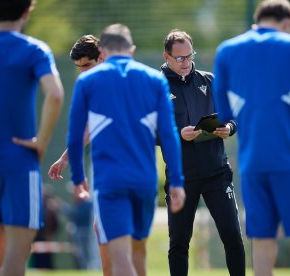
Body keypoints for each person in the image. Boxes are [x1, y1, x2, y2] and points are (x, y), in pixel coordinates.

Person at [213, 1, 290, 275]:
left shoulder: (226, 50)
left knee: (263, 248)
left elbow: (225, 115)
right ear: (287, 23)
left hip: (253, 166)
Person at [67, 23, 186, 276]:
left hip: (110, 181)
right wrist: (176, 181)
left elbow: (75, 135)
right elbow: (169, 134)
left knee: (120, 258)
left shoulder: (87, 81)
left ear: (104, 51)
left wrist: (78, 178)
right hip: (145, 182)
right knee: (138, 255)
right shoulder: (155, 80)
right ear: (131, 49)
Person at [0, 0, 64, 275]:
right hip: (17, 160)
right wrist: (41, 141)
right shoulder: (34, 49)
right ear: (28, 11)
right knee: (18, 249)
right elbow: (55, 94)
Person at [161, 29, 246, 276]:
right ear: (167, 57)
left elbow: (233, 116)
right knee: (179, 242)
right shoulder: (156, 86)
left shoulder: (210, 80)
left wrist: (228, 128)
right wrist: (179, 135)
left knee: (232, 235)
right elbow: (149, 132)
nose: (186, 62)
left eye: (190, 56)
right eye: (180, 58)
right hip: (181, 177)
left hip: (216, 173)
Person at [48, 34, 112, 274]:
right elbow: (87, 130)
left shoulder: (119, 83)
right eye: (79, 68)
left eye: (87, 65)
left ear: (102, 57)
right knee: (103, 229)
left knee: (113, 231)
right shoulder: (90, 86)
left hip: (123, 163)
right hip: (103, 164)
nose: (83, 72)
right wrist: (65, 159)